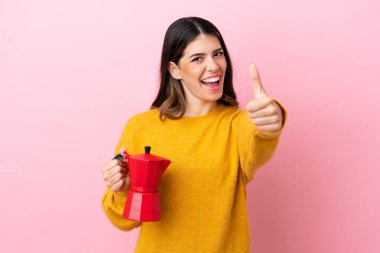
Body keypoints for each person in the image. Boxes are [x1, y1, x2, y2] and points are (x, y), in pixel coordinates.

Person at [101, 16, 287, 253]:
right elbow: (124, 221)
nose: (214, 66)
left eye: (217, 54)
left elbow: (259, 138)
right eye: (198, 58)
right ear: (175, 69)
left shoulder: (237, 125)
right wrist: (123, 187)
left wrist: (272, 119)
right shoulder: (141, 127)